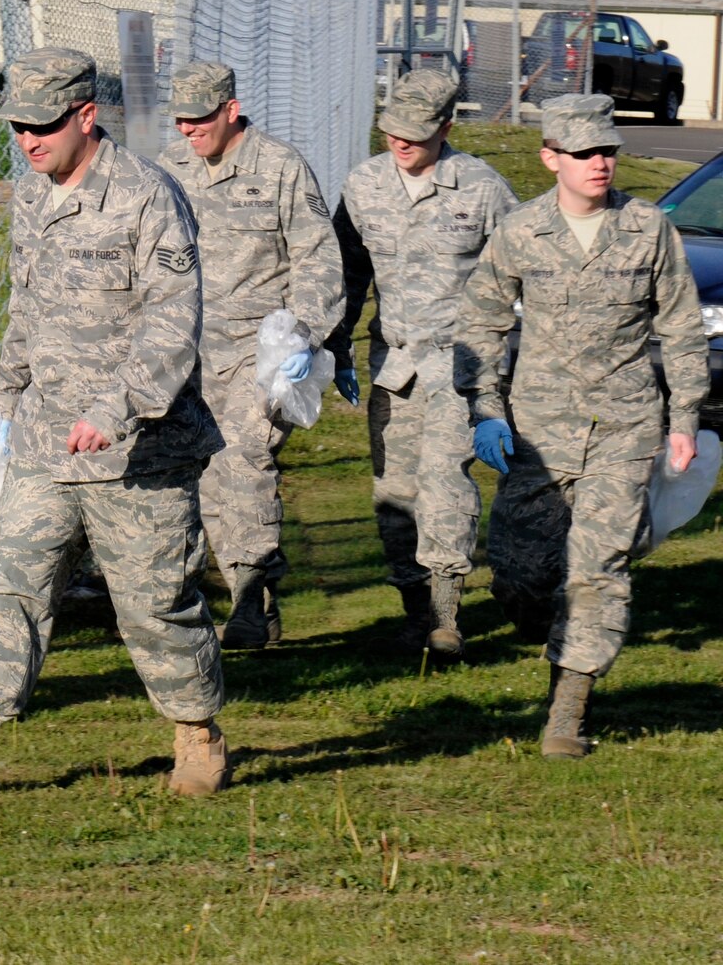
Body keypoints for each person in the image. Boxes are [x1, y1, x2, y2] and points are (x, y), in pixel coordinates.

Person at [0, 48, 228, 799]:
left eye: (42, 125)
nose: (28, 140)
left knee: (156, 602)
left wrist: (114, 409)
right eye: (17, 126)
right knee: (10, 581)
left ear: (85, 116)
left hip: (140, 451)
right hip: (44, 443)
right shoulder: (31, 195)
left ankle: (197, 735)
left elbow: (174, 323)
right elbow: (25, 311)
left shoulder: (146, 197)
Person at [456, 93, 704, 758]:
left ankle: (569, 709)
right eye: (585, 152)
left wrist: (682, 418)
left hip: (624, 426)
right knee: (519, 574)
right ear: (550, 158)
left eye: (608, 151)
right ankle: (552, 631)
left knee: (598, 568)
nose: (601, 163)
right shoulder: (520, 232)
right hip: (537, 431)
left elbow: (679, 328)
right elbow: (481, 324)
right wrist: (485, 408)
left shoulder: (648, 228)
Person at [329, 68, 516, 656]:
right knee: (393, 490)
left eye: (416, 131)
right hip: (394, 363)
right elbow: (348, 272)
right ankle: (413, 606)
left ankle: (445, 612)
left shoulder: (482, 189)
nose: (401, 142)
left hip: (460, 364)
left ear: (447, 126)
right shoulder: (364, 186)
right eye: (392, 131)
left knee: (443, 482)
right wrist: (335, 344)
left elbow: (522, 270)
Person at [159, 62, 344, 649]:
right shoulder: (168, 170)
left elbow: (318, 260)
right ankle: (243, 588)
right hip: (186, 353)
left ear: (230, 110)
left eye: (200, 119)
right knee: (207, 474)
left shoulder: (281, 167)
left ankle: (250, 593)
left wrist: (302, 336)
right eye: (181, 120)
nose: (190, 130)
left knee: (244, 457)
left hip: (256, 352)